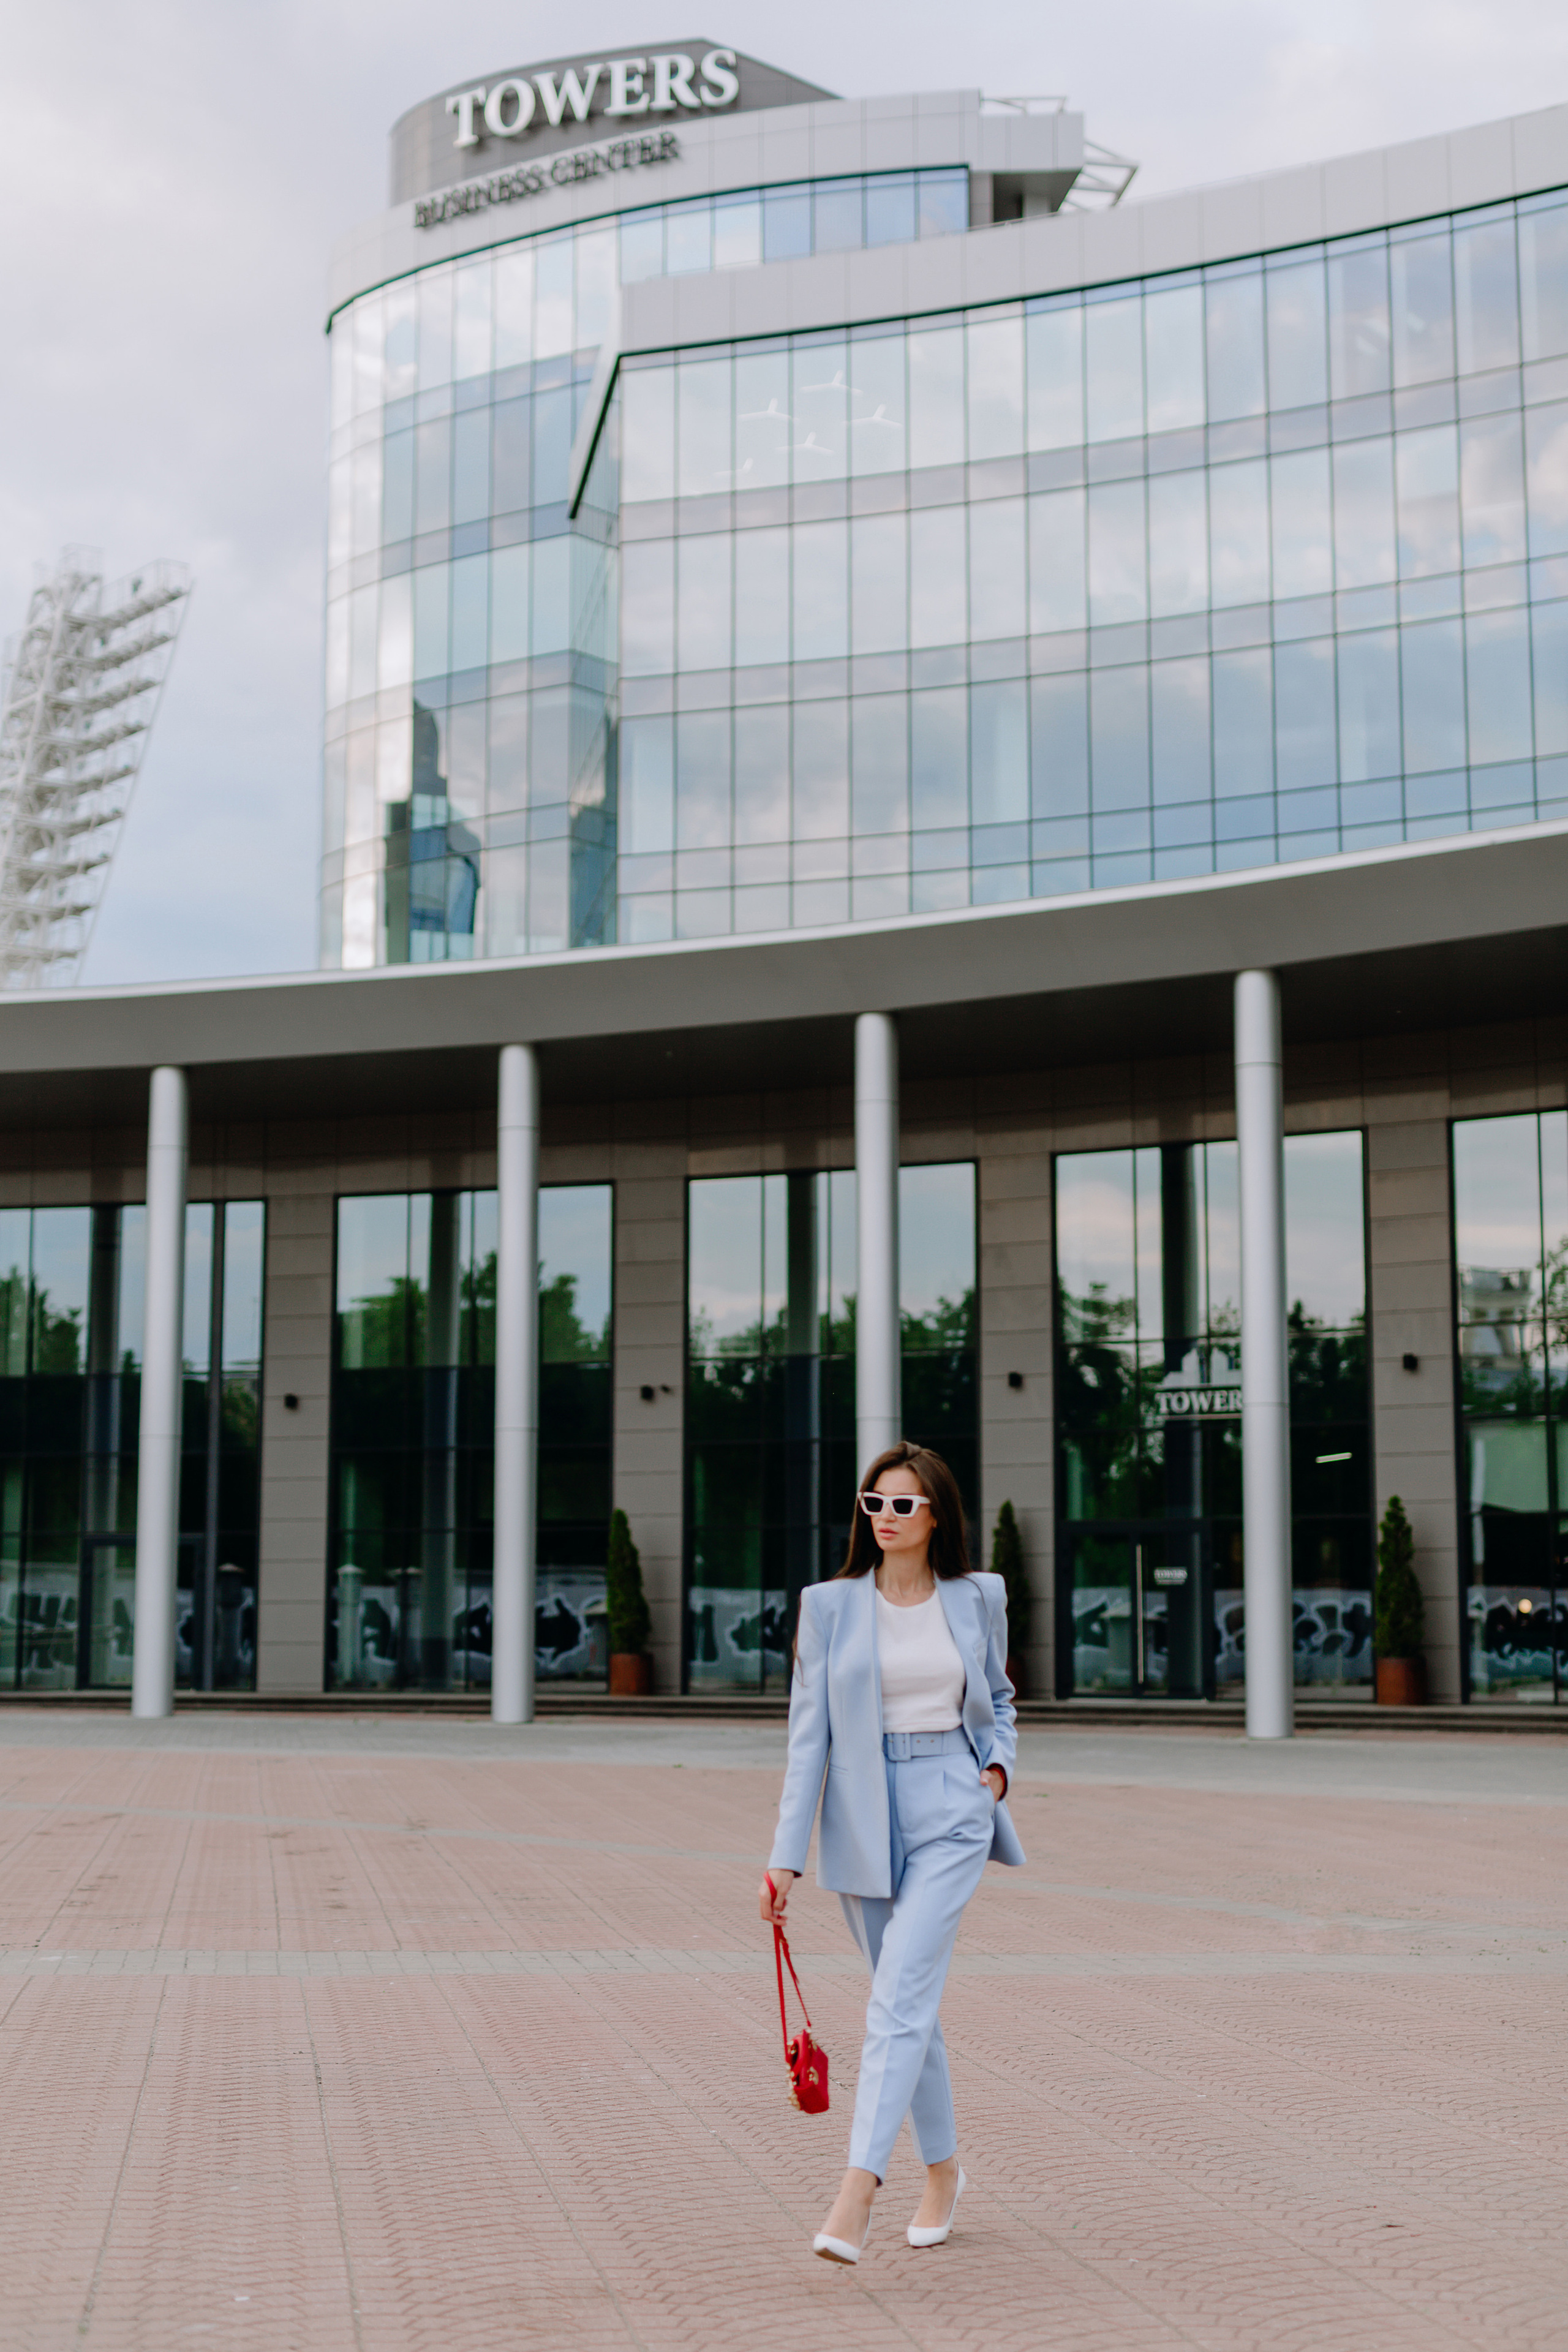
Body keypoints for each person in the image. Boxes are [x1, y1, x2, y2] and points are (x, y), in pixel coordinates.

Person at [759, 1440, 1023, 2263]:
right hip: (862, 1817)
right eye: (874, 1503)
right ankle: (943, 2173)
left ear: (935, 1514)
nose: (885, 1517)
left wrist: (997, 1773)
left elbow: (1000, 1698)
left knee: (898, 2000)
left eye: (903, 1504)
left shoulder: (978, 1596)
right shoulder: (829, 1606)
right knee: (908, 2003)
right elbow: (808, 1738)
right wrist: (784, 1857)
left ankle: (857, 2191)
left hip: (953, 1805)